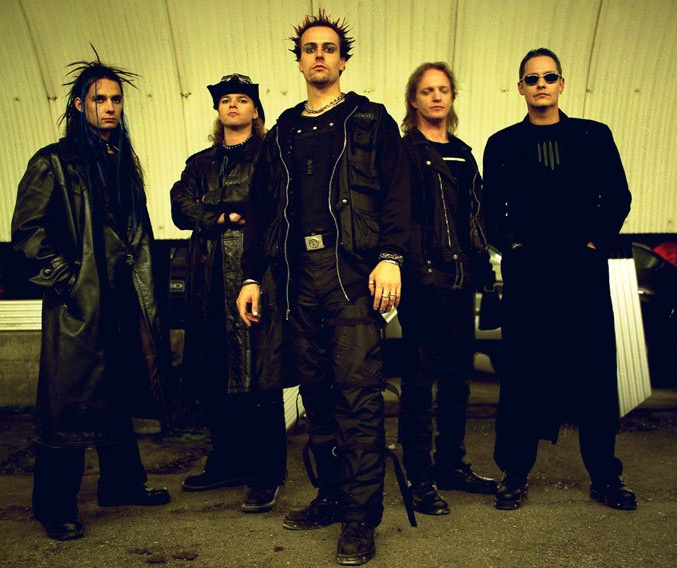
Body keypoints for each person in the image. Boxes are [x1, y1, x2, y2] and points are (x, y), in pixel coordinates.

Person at [236, 10, 410, 566]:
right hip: (296, 281)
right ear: (299, 61)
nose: (319, 55)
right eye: (309, 48)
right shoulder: (284, 130)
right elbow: (261, 209)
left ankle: (360, 519)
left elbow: (398, 195)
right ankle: (332, 495)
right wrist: (251, 276)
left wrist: (390, 258)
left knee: (357, 398)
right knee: (315, 396)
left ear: (342, 60)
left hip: (351, 277)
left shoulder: (371, 119)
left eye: (328, 48)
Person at [11, 56, 171, 541]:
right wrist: (67, 281)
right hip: (79, 305)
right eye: (100, 99)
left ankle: (122, 484)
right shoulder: (53, 162)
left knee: (116, 392)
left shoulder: (121, 163)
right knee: (69, 406)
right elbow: (28, 233)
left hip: (120, 300)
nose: (110, 107)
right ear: (80, 105)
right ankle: (54, 506)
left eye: (116, 99)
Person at [482, 47, 636, 511]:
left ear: (562, 84)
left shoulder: (593, 135)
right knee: (522, 376)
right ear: (521, 88)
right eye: (532, 79)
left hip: (582, 275)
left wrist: (593, 243)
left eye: (549, 77)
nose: (541, 85)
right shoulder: (502, 144)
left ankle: (605, 476)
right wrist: (515, 249)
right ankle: (513, 473)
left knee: (594, 375)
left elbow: (618, 196)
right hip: (529, 279)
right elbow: (490, 211)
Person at [170, 74, 286, 513]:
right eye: (225, 101)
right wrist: (224, 216)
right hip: (208, 280)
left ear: (255, 110)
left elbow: (269, 208)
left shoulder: (271, 156)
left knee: (260, 376)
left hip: (256, 277)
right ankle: (225, 462)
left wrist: (221, 209)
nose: (233, 106)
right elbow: (180, 205)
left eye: (241, 100)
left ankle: (265, 475)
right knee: (216, 374)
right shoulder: (200, 163)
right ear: (218, 111)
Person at [397, 62, 497, 516]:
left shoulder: (463, 153)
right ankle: (419, 477)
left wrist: (482, 272)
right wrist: (417, 271)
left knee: (457, 379)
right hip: (423, 280)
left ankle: (451, 465)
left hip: (460, 280)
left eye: (443, 90)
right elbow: (401, 219)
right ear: (413, 99)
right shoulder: (403, 152)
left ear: (452, 97)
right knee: (419, 382)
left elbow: (475, 218)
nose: (436, 97)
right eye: (427, 90)